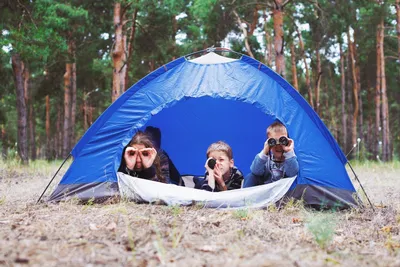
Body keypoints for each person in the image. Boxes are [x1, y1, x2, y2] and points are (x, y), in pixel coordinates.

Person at [243, 122, 299, 187]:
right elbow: (255, 171)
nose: (278, 146)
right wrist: (264, 151)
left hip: (283, 191)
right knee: (250, 177)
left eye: (282, 141)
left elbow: (292, 173)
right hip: (266, 190)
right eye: (273, 142)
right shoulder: (265, 159)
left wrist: (289, 152)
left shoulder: (291, 158)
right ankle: (245, 197)